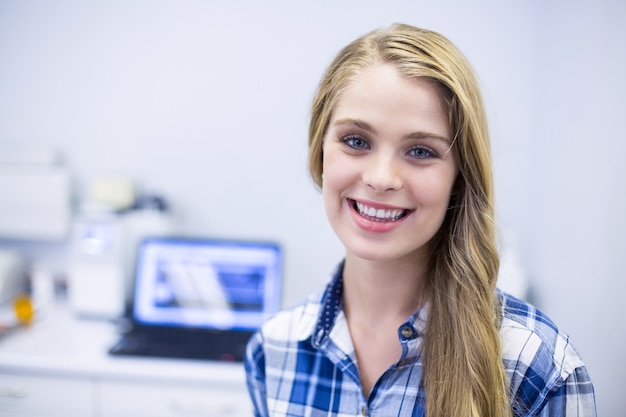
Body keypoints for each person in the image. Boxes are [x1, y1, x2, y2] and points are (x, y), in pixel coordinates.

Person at [244, 23, 597, 417]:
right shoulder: (273, 351)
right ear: (320, 151)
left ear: (459, 178)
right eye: (356, 141)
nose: (381, 178)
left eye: (421, 151)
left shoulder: (537, 368)